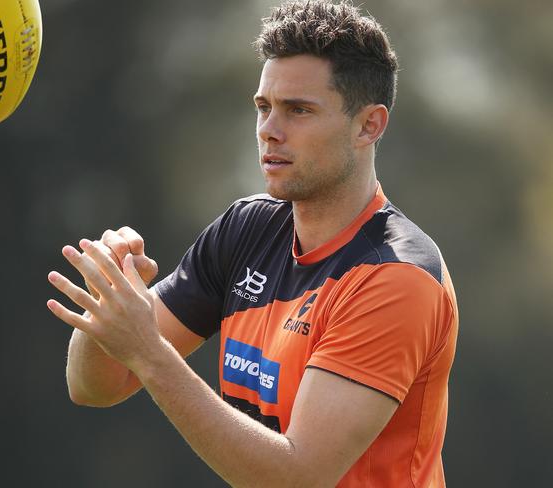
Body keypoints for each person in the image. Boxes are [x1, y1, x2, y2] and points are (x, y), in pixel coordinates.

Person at [47, 1, 459, 486]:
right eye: (264, 107)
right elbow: (94, 385)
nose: (269, 130)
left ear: (369, 125)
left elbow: (297, 476)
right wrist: (111, 299)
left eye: (299, 111)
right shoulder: (246, 230)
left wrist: (149, 351)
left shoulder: (396, 278)